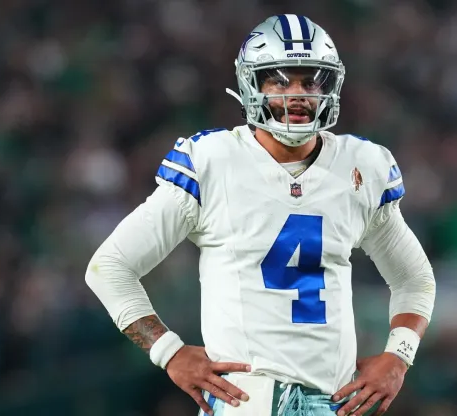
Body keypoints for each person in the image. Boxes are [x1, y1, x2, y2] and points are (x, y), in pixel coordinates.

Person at [85, 14, 436, 416]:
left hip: (334, 403)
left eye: (311, 80)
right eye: (280, 80)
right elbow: (109, 267)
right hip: (245, 404)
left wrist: (399, 356)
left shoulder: (362, 167)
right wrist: (169, 352)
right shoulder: (212, 161)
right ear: (252, 84)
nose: (298, 94)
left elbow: (414, 279)